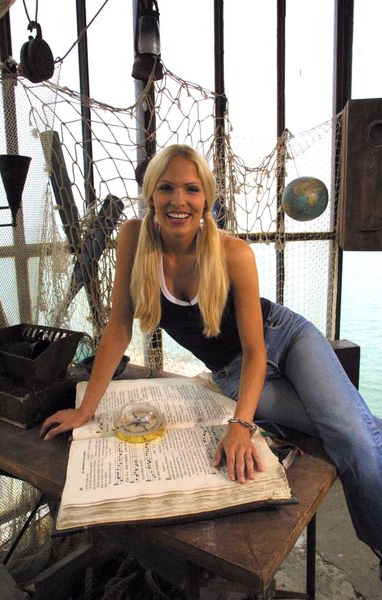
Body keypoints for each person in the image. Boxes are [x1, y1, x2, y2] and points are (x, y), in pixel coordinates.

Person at [40, 143, 382, 560]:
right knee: (351, 429)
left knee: (353, 436)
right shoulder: (133, 237)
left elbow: (256, 350)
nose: (178, 200)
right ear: (151, 194)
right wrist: (85, 410)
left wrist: (241, 424)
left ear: (206, 198)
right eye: (166, 188)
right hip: (232, 372)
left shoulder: (233, 253)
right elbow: (117, 329)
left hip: (286, 337)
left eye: (191, 189)